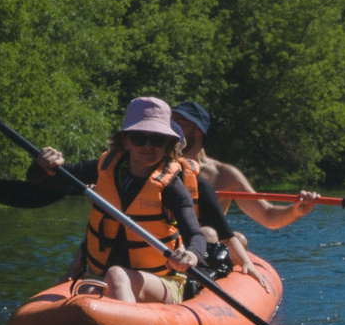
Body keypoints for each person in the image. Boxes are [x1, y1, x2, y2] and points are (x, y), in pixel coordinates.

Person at [30, 97, 217, 305]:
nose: (148, 145)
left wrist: (191, 255)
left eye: (157, 139)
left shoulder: (172, 188)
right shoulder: (105, 167)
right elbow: (44, 181)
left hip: (161, 280)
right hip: (102, 274)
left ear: (168, 144)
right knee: (95, 288)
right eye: (139, 137)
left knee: (117, 275)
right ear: (126, 141)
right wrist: (42, 164)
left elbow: (195, 235)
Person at [173, 100, 320, 258]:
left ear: (198, 130)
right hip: (168, 241)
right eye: (170, 123)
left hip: (206, 244)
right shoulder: (160, 168)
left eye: (179, 123)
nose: (172, 129)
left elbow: (268, 216)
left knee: (239, 240)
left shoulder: (225, 175)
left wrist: (295, 210)